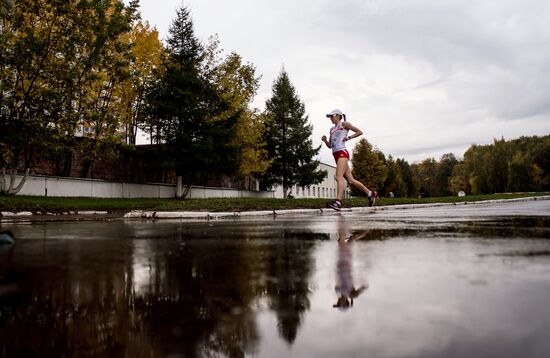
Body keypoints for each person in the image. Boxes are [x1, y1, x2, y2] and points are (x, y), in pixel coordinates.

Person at [321, 109, 377, 211]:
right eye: (329, 117)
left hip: (343, 153)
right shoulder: (331, 129)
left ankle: (338, 202)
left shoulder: (344, 124)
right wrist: (325, 141)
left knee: (338, 177)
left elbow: (359, 132)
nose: (330, 119)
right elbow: (330, 146)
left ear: (337, 115)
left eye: (331, 116)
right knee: (351, 181)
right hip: (336, 154)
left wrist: (349, 137)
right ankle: (370, 193)